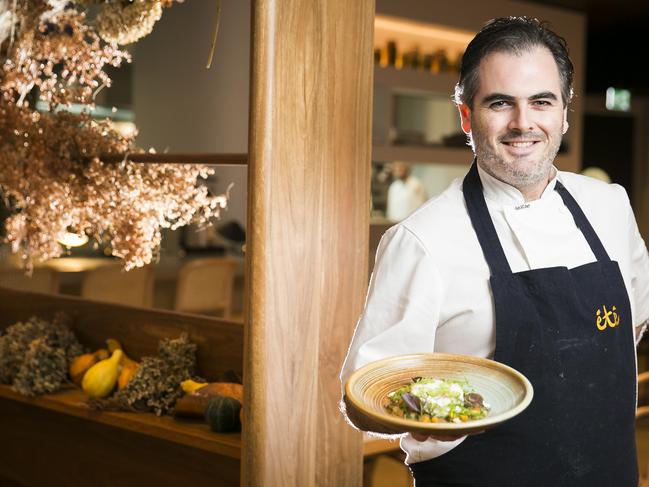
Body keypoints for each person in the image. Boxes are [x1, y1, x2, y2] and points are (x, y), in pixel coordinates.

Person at [341, 16, 649, 487]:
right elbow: (364, 400)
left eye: (541, 102)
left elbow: (634, 323)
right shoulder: (422, 241)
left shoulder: (609, 206)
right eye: (500, 103)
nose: (523, 123)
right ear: (466, 116)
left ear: (564, 112)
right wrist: (438, 413)